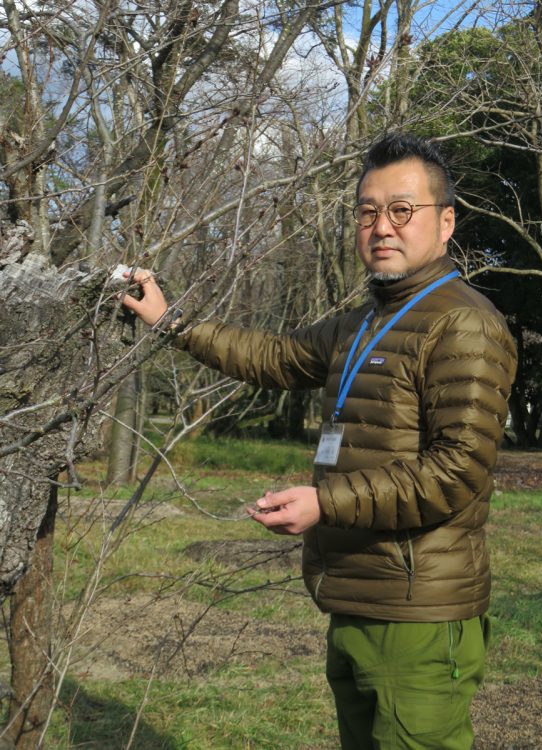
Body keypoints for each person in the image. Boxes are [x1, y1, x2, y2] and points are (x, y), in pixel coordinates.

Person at [122, 132, 517, 750]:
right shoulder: (366, 320)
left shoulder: (463, 322)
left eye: (401, 210)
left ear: (445, 223)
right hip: (355, 592)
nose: (381, 227)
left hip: (416, 612)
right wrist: (173, 324)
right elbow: (274, 357)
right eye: (367, 212)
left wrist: (324, 503)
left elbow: (456, 473)